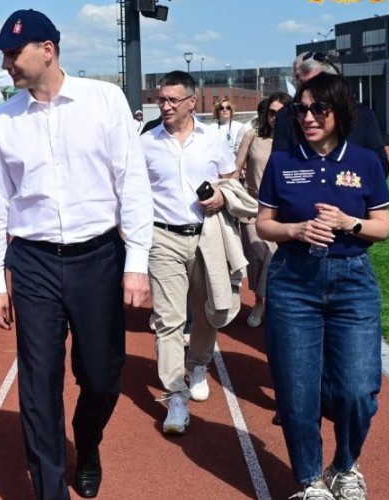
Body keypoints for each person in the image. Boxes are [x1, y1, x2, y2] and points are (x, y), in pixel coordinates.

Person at [0, 10, 153, 499]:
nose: (7, 63)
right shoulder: (2, 121)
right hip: (32, 262)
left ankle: (89, 441)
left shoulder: (104, 101)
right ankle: (49, 488)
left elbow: (132, 184)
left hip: (98, 256)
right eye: (4, 55)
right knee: (38, 383)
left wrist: (136, 262)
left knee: (101, 376)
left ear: (48, 50)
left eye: (14, 53)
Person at [257, 72, 389, 500]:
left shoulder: (365, 161)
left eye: (319, 108)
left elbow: (383, 227)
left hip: (352, 280)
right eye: (302, 109)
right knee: (297, 391)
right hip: (293, 281)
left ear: (340, 111)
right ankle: (310, 479)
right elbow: (264, 225)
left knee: (357, 390)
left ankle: (344, 466)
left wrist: (347, 222)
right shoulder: (283, 162)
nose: (308, 117)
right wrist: (296, 230)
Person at [141, 71, 239, 435]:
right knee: (168, 320)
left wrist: (223, 195)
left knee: (207, 310)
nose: (164, 106)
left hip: (207, 236)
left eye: (171, 100)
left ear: (191, 103)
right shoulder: (146, 142)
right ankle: (175, 394)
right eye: (161, 99)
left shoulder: (213, 139)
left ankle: (198, 364)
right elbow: (134, 191)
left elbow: (231, 180)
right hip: (162, 238)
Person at [272, 51, 389, 178]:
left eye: (318, 84)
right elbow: (278, 169)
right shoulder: (287, 116)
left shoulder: (363, 115)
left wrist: (344, 182)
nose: (308, 118)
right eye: (304, 84)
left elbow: (381, 166)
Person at [235, 92, 292, 328]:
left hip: (287, 210)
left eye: (280, 113)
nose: (274, 118)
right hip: (253, 206)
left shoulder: (296, 139)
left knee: (283, 260)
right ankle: (259, 302)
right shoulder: (253, 136)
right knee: (261, 257)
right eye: (270, 112)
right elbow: (235, 169)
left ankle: (279, 305)